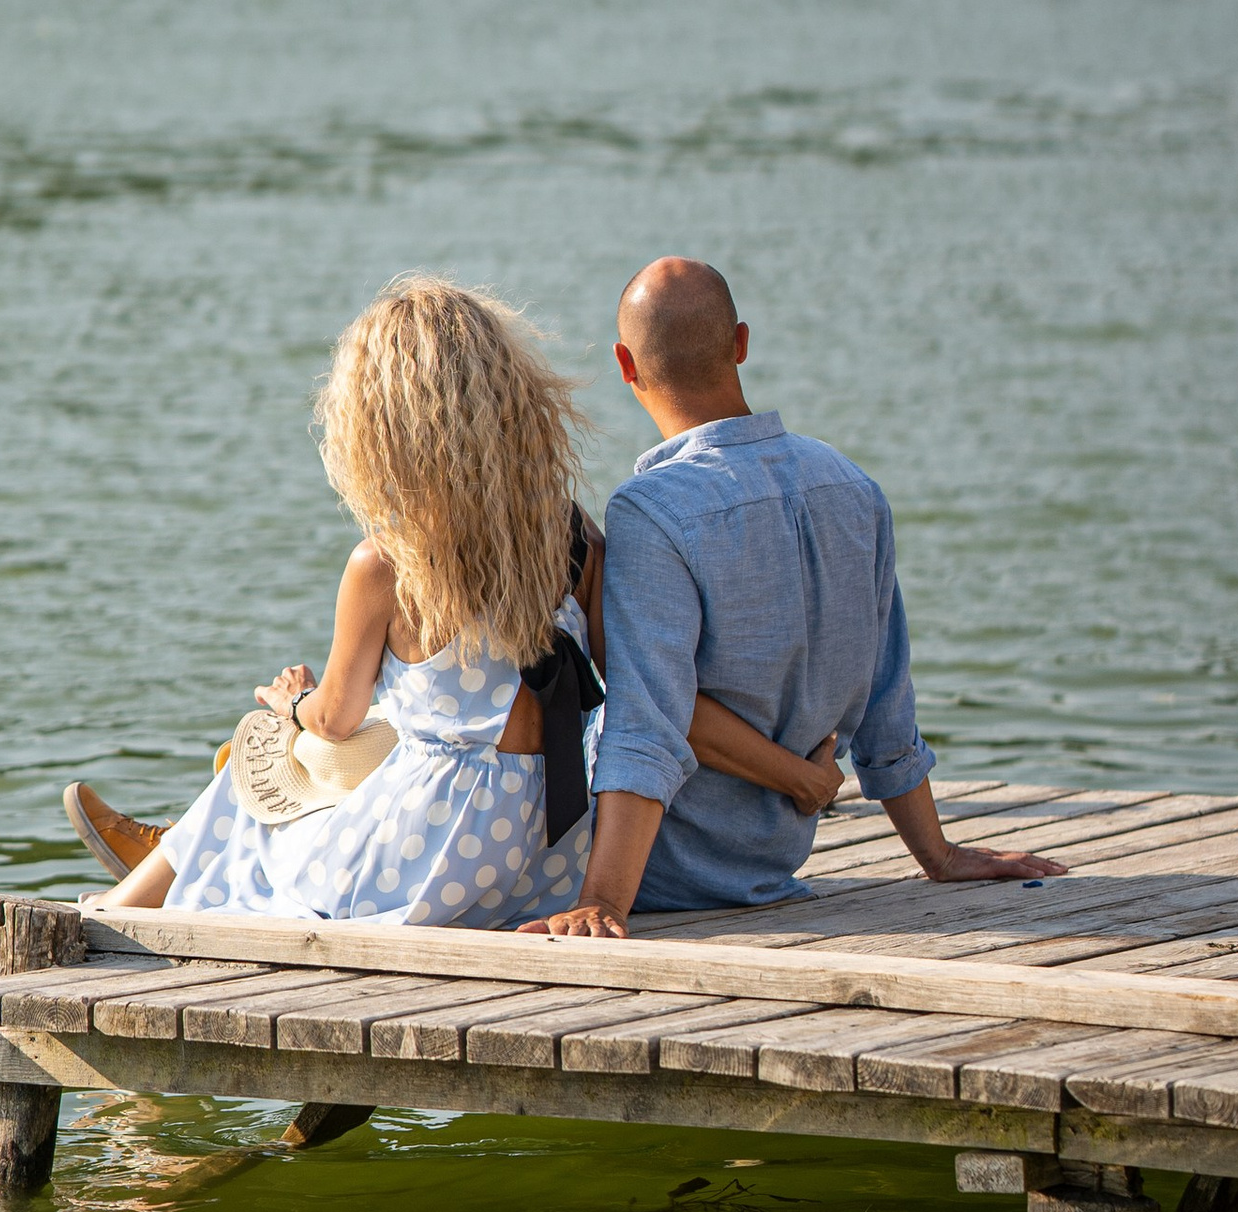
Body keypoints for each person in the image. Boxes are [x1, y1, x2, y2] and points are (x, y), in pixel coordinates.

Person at [63, 273, 841, 926]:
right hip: (545, 855)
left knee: (259, 760)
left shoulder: (385, 565)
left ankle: (115, 917)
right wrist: (791, 774)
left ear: (381, 432)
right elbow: (646, 699)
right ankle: (159, 868)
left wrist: (292, 705)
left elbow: (336, 718)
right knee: (393, 731)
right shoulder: (575, 541)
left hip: (425, 858)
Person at [526, 256, 1064, 941]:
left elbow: (647, 722)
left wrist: (602, 899)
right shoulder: (852, 487)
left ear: (625, 367)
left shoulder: (651, 510)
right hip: (768, 862)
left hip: (661, 869)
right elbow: (887, 701)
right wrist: (939, 855)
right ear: (742, 344)